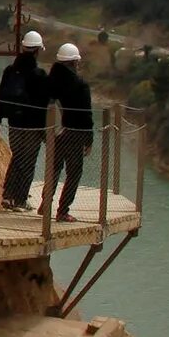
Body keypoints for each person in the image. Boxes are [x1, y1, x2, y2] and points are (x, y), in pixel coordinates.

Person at [0, 29, 49, 207]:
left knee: (17, 157)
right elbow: (43, 105)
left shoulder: (10, 71)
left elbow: (1, 95)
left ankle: (7, 195)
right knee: (28, 161)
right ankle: (20, 200)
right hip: (33, 127)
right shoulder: (39, 75)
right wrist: (45, 131)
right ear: (37, 50)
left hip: (14, 123)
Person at [48, 41, 96, 220]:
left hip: (56, 132)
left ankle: (45, 205)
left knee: (53, 169)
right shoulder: (80, 85)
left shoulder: (51, 81)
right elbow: (86, 115)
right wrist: (89, 140)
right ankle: (62, 211)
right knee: (74, 172)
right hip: (75, 133)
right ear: (75, 62)